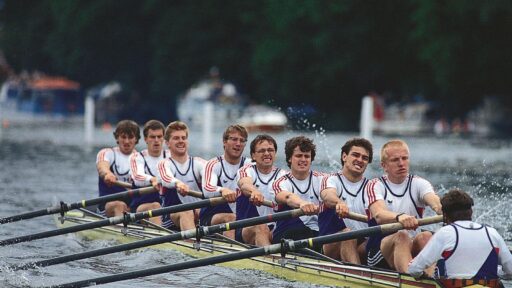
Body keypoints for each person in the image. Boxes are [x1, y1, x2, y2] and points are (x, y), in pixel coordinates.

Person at [365, 139, 442, 272]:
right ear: (384, 165)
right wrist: (400, 217)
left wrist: (441, 209)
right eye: (395, 160)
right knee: (402, 236)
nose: (401, 163)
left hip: (411, 247)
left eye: (404, 158)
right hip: (379, 252)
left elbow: (434, 200)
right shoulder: (375, 185)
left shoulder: (419, 183)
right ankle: (412, 282)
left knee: (426, 236)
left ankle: (428, 279)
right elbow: (379, 214)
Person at [409, 189, 512, 287]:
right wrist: (497, 271)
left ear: (445, 215)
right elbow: (510, 271)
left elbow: (414, 269)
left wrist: (424, 277)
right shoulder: (492, 233)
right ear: (471, 212)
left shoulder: (445, 233)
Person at [319, 137, 373, 263]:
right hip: (331, 244)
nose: (360, 160)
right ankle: (359, 275)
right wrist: (339, 203)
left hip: (361, 245)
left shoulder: (372, 187)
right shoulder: (331, 180)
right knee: (349, 235)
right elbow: (328, 196)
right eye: (355, 155)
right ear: (344, 157)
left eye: (364, 158)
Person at [201, 124, 252, 239]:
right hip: (212, 218)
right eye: (234, 139)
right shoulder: (213, 164)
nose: (238, 144)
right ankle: (233, 253)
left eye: (242, 140)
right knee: (231, 218)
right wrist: (222, 190)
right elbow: (207, 189)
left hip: (241, 220)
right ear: (224, 142)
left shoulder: (250, 165)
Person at [235, 134, 286, 246]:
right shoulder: (246, 170)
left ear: (275, 154)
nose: (267, 153)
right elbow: (245, 184)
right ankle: (270, 260)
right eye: (262, 151)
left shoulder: (283, 175)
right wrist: (254, 192)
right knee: (261, 227)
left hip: (274, 228)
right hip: (246, 228)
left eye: (270, 150)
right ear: (253, 155)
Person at [271, 136, 322, 246]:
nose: (303, 160)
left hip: (317, 234)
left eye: (307, 156)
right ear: (290, 158)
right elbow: (287, 197)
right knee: (299, 231)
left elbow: (330, 194)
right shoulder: (280, 182)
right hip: (287, 233)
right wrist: (302, 203)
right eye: (299, 156)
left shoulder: (323, 180)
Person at [157, 121, 206, 230]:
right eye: (176, 138)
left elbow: (210, 177)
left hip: (198, 214)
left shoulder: (199, 163)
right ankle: (192, 244)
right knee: (186, 212)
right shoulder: (164, 164)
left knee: (227, 216)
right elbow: (166, 179)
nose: (181, 141)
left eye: (183, 138)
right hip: (171, 217)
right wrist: (178, 183)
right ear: (167, 143)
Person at [96, 120, 140, 217]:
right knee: (119, 205)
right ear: (117, 138)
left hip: (133, 206)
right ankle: (122, 230)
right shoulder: (107, 153)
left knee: (154, 205)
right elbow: (102, 167)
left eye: (131, 137)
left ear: (136, 139)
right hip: (108, 205)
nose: (127, 141)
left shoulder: (141, 159)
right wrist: (107, 174)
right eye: (123, 137)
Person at [130, 120, 169, 225]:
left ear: (164, 139)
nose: (156, 140)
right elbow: (137, 177)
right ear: (146, 139)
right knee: (155, 206)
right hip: (141, 208)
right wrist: (152, 179)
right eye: (152, 137)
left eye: (159, 136)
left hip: (166, 208)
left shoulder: (170, 156)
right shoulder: (137, 157)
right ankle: (160, 239)